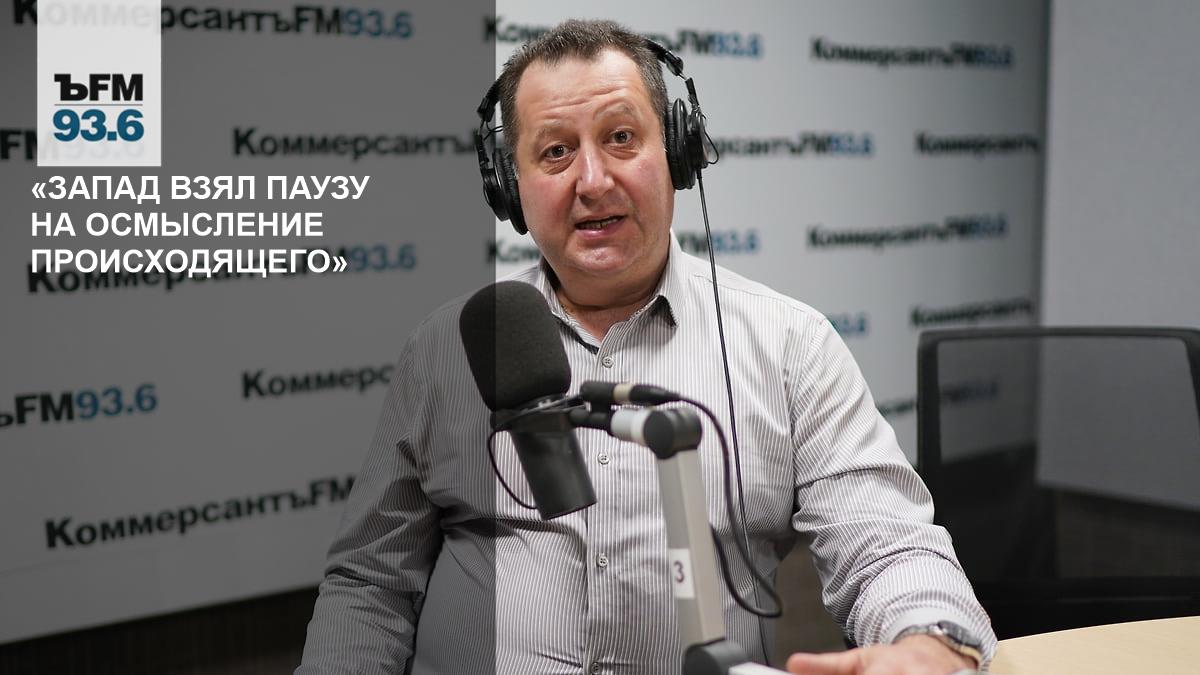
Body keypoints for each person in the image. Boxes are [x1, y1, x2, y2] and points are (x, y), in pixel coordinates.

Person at [298, 19, 996, 675]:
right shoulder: (446, 347)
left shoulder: (790, 345)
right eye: (555, 152)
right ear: (509, 187)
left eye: (622, 137)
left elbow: (887, 546)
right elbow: (371, 581)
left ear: (678, 154)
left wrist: (931, 644)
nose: (593, 181)